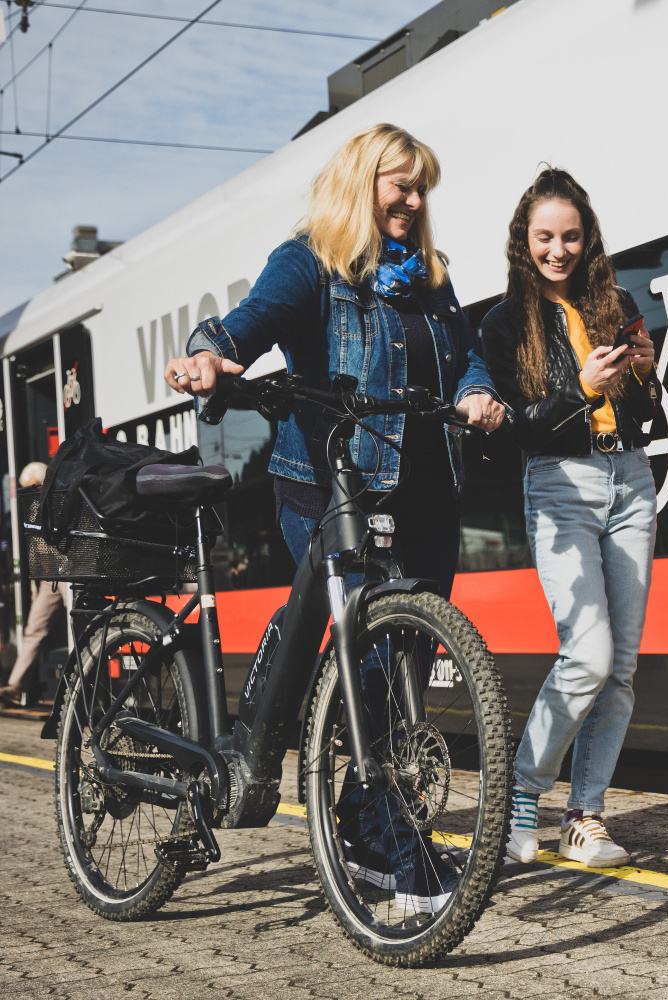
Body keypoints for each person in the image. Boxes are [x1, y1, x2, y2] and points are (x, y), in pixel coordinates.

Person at [163, 122, 505, 911]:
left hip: (423, 490)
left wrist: (478, 388)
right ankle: (372, 828)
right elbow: (250, 322)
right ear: (362, 181)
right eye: (401, 183)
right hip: (330, 488)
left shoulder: (431, 276)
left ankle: (373, 811)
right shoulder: (310, 263)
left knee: (409, 655)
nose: (415, 200)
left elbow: (463, 352)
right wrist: (215, 354)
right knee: (374, 659)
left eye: (422, 187)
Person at [481, 167, 661, 868]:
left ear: (588, 240)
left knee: (620, 668)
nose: (560, 250)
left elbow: (648, 415)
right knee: (585, 655)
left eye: (572, 237)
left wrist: (646, 371)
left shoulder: (615, 302)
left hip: (632, 480)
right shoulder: (503, 323)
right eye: (546, 237)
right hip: (560, 485)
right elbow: (518, 431)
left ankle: (585, 815)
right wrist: (578, 391)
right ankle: (522, 796)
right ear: (525, 242)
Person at [0, 462, 67, 707]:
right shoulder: (37, 507)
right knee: (34, 629)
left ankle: (88, 684)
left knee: (77, 625)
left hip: (68, 572)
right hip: (49, 578)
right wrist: (34, 583)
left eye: (29, 488)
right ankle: (16, 685)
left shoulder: (61, 499)